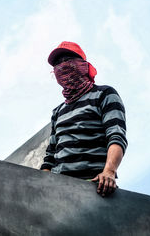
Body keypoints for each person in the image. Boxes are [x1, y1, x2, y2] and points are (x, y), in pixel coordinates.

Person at [40, 41, 127, 197]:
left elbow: (116, 135)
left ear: (82, 64)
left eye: (67, 60)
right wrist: (41, 183)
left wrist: (109, 172)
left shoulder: (104, 94)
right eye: (57, 64)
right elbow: (51, 155)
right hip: (59, 190)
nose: (62, 66)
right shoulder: (58, 112)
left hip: (95, 186)